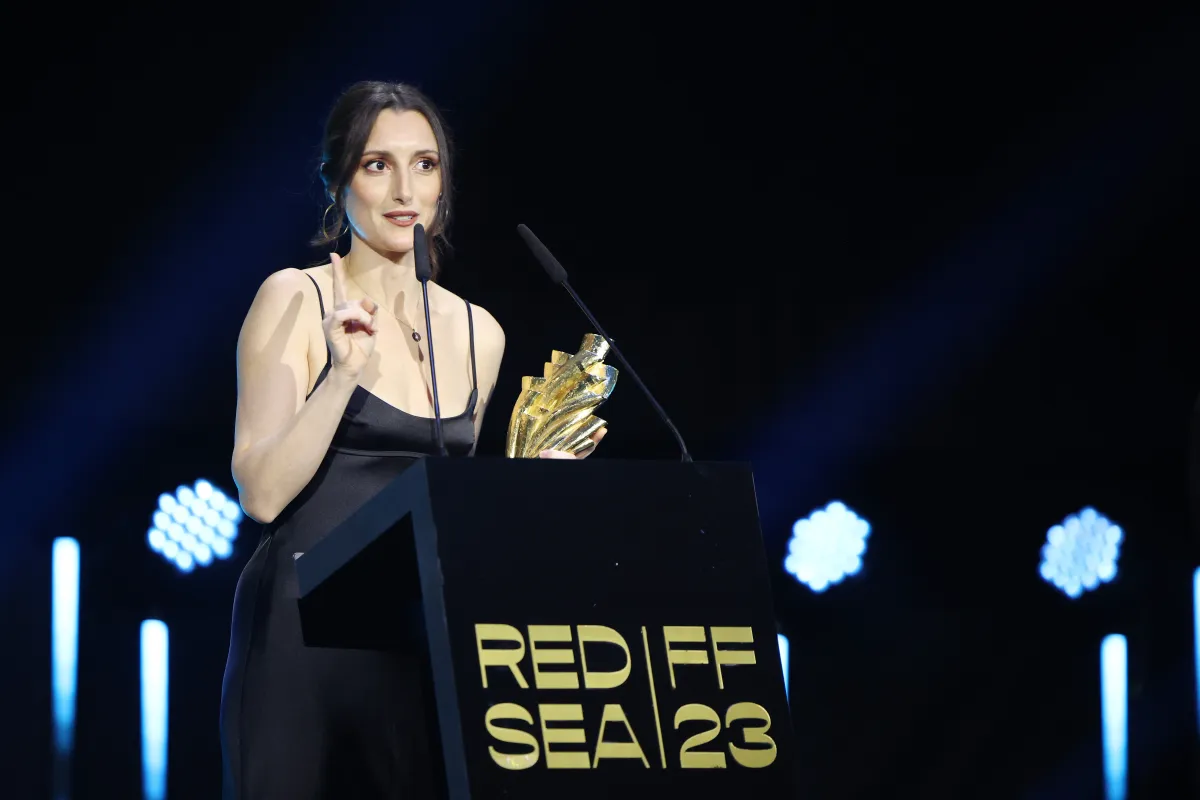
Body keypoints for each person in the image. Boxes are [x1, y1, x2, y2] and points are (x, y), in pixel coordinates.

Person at [218, 80, 605, 799]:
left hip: (418, 643)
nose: (405, 188)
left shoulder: (478, 332)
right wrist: (340, 378)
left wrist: (526, 486)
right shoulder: (295, 299)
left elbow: (447, 511)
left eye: (425, 164)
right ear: (336, 181)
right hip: (301, 642)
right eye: (377, 164)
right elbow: (262, 495)